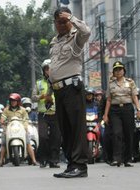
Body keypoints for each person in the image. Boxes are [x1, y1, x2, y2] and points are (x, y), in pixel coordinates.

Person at [49, 7, 91, 178]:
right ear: (55, 24)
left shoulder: (76, 37)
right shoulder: (54, 41)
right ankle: (71, 164)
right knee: (65, 129)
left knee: (76, 128)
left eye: (65, 21)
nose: (63, 25)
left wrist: (71, 17)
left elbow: (87, 31)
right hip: (59, 90)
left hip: (72, 87)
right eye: (59, 22)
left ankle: (80, 166)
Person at [102, 61, 140, 167]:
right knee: (116, 133)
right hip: (115, 111)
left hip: (128, 109)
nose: (118, 71)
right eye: (116, 70)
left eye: (120, 69)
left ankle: (128, 159)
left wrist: (139, 110)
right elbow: (109, 100)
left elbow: (134, 97)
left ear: (124, 71)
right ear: (113, 72)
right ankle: (116, 158)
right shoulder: (111, 84)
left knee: (129, 133)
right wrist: (105, 115)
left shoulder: (130, 82)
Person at [0, 93, 38, 166]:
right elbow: (2, 119)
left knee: (28, 143)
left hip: (21, 129)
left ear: (18, 101)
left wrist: (25, 128)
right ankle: (0, 161)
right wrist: (4, 126)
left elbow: (26, 119)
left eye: (14, 100)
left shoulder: (23, 110)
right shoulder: (6, 110)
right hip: (9, 129)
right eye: (11, 100)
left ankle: (34, 160)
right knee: (3, 144)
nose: (13, 102)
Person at [35, 60, 61, 168]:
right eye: (46, 69)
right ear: (44, 71)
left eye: (50, 68)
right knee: (43, 136)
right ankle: (43, 159)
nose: (48, 71)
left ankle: (53, 160)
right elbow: (33, 97)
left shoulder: (58, 82)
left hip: (56, 113)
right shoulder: (39, 83)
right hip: (43, 114)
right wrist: (40, 97)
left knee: (56, 137)